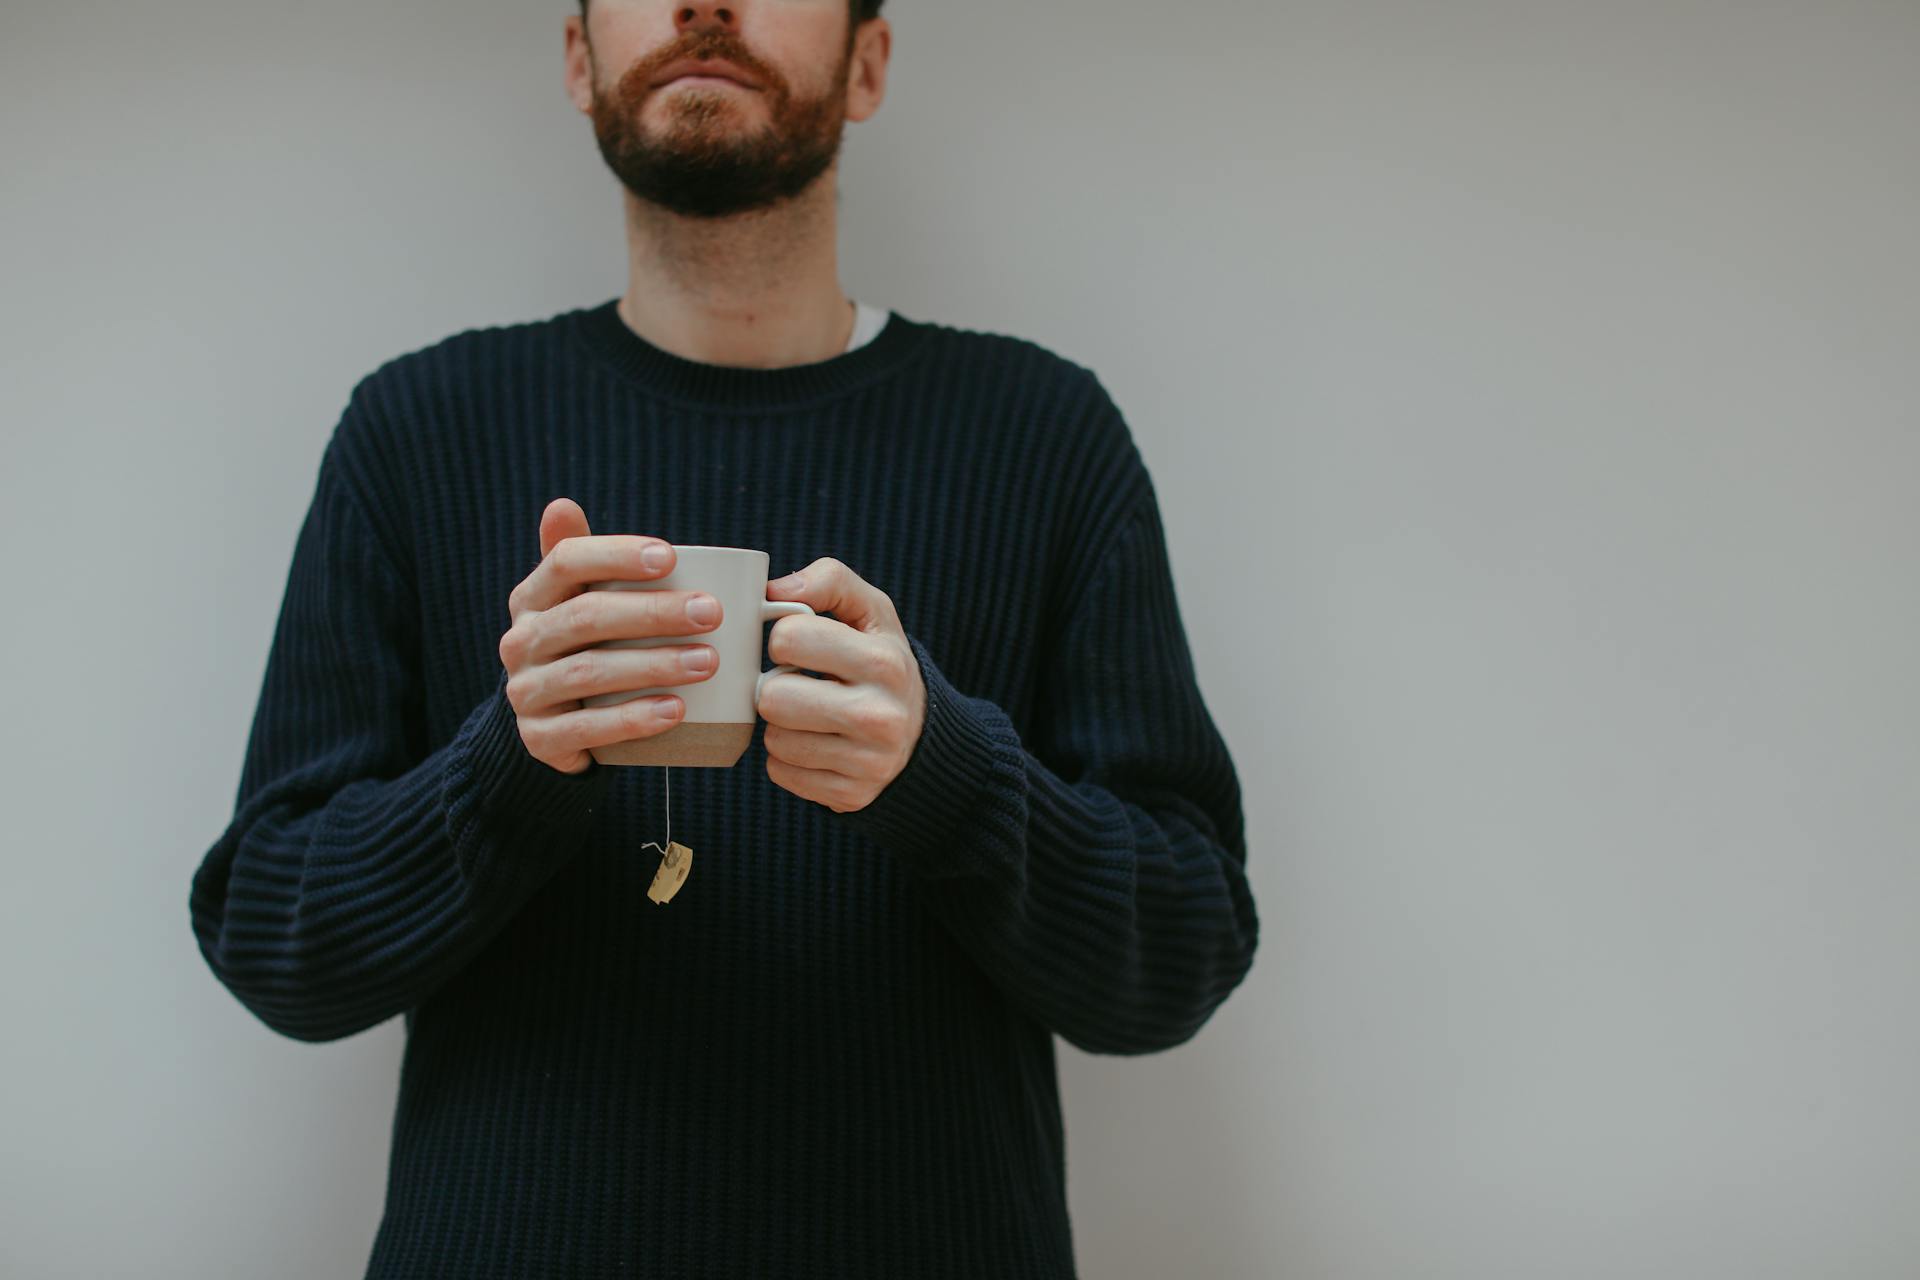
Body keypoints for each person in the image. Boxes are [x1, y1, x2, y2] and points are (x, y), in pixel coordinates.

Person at [187, 1, 1259, 1275]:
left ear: (866, 62)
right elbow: (271, 943)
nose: (705, 2)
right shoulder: (416, 432)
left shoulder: (1047, 435)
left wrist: (947, 776)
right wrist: (510, 765)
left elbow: (1184, 956)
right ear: (579, 57)